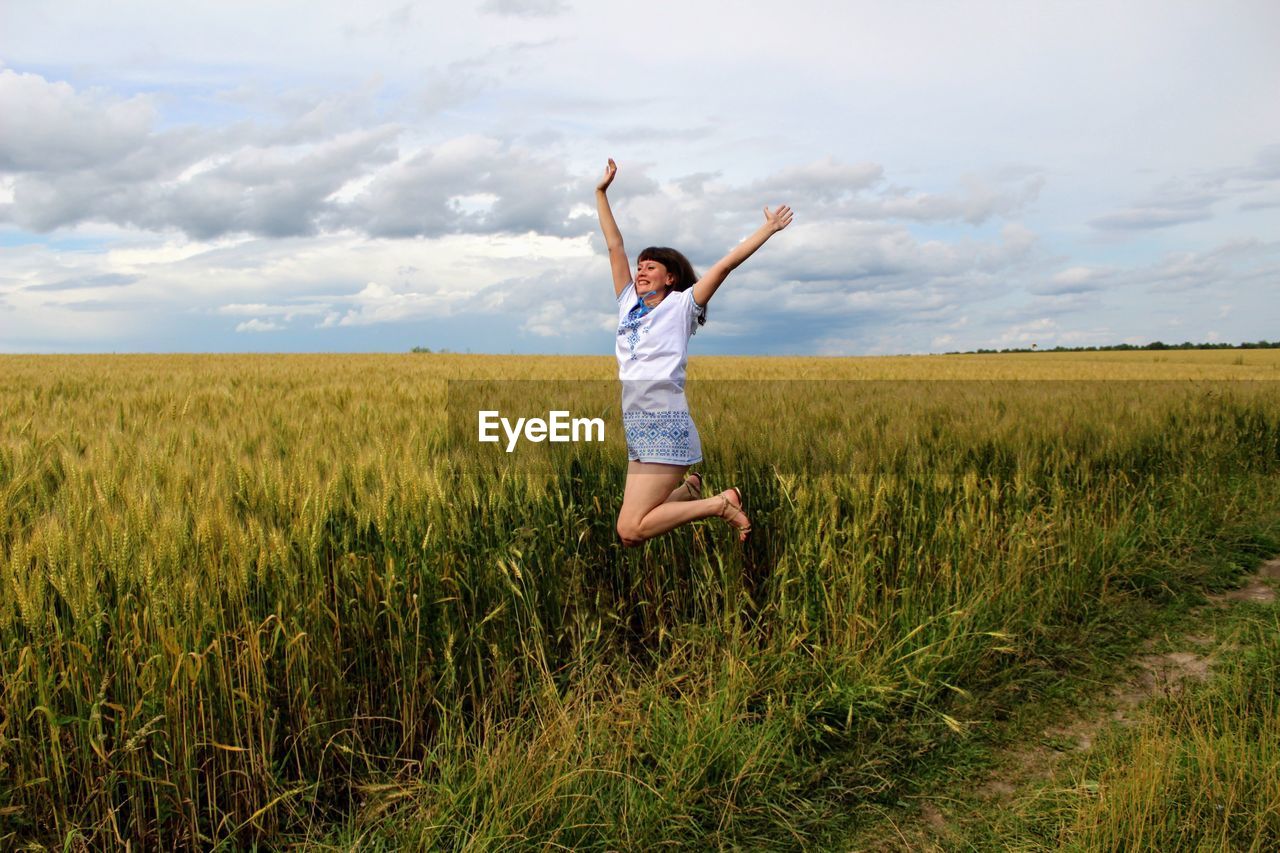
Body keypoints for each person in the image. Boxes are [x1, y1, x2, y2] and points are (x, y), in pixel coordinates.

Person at [596, 158, 793, 547]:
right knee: (635, 530)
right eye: (639, 267)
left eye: (650, 267)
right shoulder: (626, 304)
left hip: (665, 425)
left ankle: (720, 504)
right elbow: (614, 244)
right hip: (637, 425)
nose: (640, 271)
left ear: (670, 278)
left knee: (630, 529)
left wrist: (768, 229)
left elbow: (725, 266)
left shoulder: (682, 306)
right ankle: (691, 491)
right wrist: (600, 193)